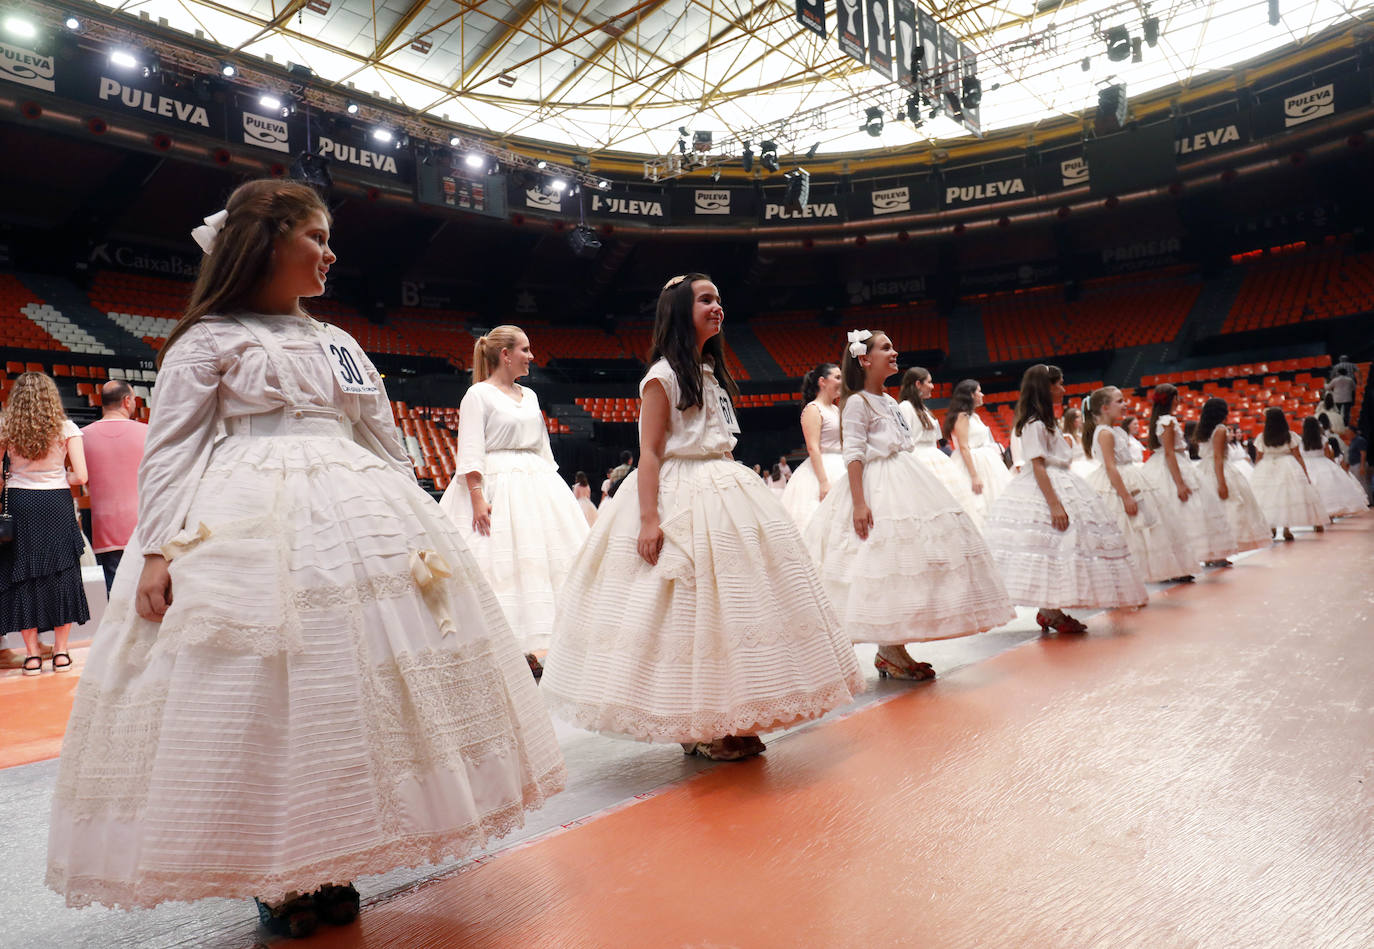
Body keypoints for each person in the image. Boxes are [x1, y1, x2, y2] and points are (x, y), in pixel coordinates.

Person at [47, 180, 563, 930]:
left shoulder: (338, 340)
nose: (330, 253)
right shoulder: (208, 340)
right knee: (268, 695)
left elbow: (379, 433)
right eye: (315, 238)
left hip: (353, 516)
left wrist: (416, 511)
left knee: (344, 690)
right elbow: (172, 451)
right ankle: (283, 870)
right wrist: (155, 551)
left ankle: (333, 852)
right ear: (265, 243)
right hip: (247, 522)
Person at [542, 273, 862, 762]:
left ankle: (721, 718)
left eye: (719, 299)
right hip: (680, 494)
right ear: (678, 311)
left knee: (732, 610)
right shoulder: (662, 375)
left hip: (724, 487)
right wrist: (649, 521)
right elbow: (648, 453)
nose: (718, 307)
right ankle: (702, 725)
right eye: (706, 300)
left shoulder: (711, 373)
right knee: (685, 611)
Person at [804, 331, 1012, 679]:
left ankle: (893, 648)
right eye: (886, 348)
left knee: (903, 566)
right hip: (878, 485)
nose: (895, 352)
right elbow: (854, 453)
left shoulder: (886, 400)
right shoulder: (857, 402)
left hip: (904, 476)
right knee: (882, 563)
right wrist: (858, 502)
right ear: (865, 360)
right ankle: (890, 649)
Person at [439, 325, 590, 679]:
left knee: (544, 564)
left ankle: (539, 648)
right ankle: (501, 651)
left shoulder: (531, 396)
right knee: (500, 564)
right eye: (525, 349)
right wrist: (477, 497)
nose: (531, 356)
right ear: (505, 355)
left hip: (537, 483)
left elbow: (542, 448)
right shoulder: (478, 395)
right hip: (498, 484)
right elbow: (471, 449)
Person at [981, 366, 1147, 635]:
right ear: (1046, 388)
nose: (1063, 389)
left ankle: (1051, 610)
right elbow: (1038, 466)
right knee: (1053, 546)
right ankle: (1050, 611)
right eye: (1058, 384)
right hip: (1047, 487)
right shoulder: (1034, 424)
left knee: (1061, 548)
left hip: (1063, 482)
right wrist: (1055, 504)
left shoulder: (1046, 422)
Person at [0, 371, 90, 676]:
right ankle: (62, 653)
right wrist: (55, 478)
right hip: (55, 504)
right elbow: (81, 476)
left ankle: (32, 656)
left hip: (21, 504)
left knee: (23, 576)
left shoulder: (6, 431)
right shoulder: (66, 427)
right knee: (63, 572)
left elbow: (0, 479)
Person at [1083, 386, 1194, 584]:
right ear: (1105, 407)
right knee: (1127, 528)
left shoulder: (1114, 430)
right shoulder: (1105, 434)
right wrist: (1125, 496)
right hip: (1118, 483)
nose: (1125, 404)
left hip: (1130, 476)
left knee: (1143, 527)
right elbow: (1110, 467)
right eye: (1119, 401)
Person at [1139, 384, 1237, 571]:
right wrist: (1180, 483)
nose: (1179, 401)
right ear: (1172, 399)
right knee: (1185, 511)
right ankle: (1182, 561)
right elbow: (1169, 453)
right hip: (1173, 467)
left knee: (1184, 513)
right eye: (1177, 397)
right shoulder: (1167, 421)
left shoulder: (1160, 421)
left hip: (1166, 465)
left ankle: (1187, 559)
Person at [80, 379, 148, 593]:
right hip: (142, 524)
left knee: (115, 595)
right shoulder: (148, 432)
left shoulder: (82, 436)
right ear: (127, 401)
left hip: (104, 526)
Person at [1191, 398, 1271, 557]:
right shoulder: (1220, 429)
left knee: (1210, 513)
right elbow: (1218, 458)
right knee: (1228, 510)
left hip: (1203, 471)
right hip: (1219, 471)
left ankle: (1213, 553)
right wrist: (1222, 483)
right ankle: (1222, 550)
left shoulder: (1202, 429)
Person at [896, 367, 977, 516]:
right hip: (919, 460)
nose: (933, 386)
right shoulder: (905, 407)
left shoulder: (924, 409)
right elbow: (903, 441)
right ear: (918, 384)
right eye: (929, 382)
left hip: (934, 457)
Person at [779, 362, 845, 530]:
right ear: (822, 381)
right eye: (837, 377)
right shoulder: (813, 409)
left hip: (842, 463)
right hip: (824, 468)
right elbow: (813, 448)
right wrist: (823, 482)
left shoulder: (836, 410)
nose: (842, 381)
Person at [1248, 407, 1326, 541]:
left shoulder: (1262, 437)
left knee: (1269, 498)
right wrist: (1304, 473)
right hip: (1287, 465)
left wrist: (1256, 471)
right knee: (1287, 498)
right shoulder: (1289, 436)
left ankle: (1271, 527)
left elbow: (1258, 457)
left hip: (1267, 466)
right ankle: (1286, 529)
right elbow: (1298, 456)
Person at [942, 378, 1012, 525]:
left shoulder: (975, 416)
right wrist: (974, 476)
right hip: (972, 462)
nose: (982, 395)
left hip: (986, 460)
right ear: (971, 395)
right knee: (977, 502)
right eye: (979, 391)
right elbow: (964, 447)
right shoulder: (962, 416)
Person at [1298, 417, 1366, 518]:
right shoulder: (1323, 439)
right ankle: (1330, 514)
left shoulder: (1301, 441)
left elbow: (1300, 455)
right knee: (1327, 490)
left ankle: (1315, 515)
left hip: (1307, 465)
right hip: (1323, 464)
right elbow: (1328, 455)